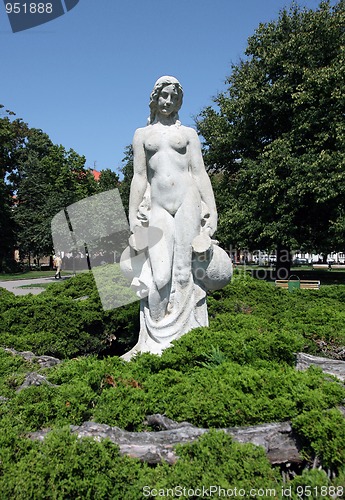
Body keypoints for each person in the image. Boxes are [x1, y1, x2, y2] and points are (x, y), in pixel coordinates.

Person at [121, 76, 230, 359]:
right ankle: (152, 345)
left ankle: (188, 346)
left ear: (178, 101)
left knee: (183, 274)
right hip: (158, 206)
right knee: (158, 277)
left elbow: (199, 172)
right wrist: (132, 217)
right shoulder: (141, 135)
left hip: (187, 201)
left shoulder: (189, 134)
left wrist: (213, 210)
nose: (167, 101)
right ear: (155, 97)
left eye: (173, 97)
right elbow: (139, 177)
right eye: (163, 96)